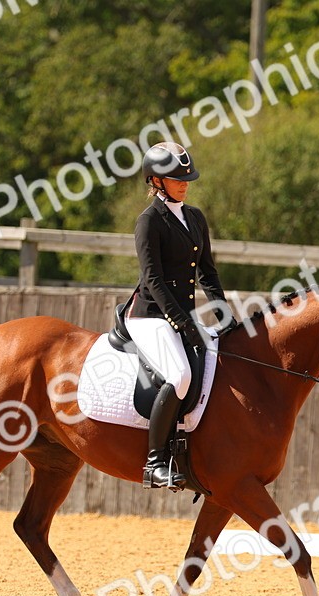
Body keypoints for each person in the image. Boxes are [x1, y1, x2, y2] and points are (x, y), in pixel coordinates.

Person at [130, 142, 229, 490]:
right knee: (181, 374)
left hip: (182, 315)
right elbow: (153, 280)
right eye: (175, 179)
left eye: (187, 178)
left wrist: (224, 312)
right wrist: (183, 323)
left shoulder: (195, 217)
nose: (184, 183)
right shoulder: (149, 221)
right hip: (151, 316)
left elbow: (208, 273)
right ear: (156, 181)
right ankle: (155, 462)